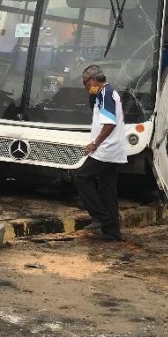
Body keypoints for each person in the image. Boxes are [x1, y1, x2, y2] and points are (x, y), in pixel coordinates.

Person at [75, 65, 127, 242]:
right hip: (114, 149)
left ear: (93, 80)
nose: (86, 87)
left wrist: (94, 144)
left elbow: (109, 123)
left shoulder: (105, 94)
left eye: (85, 83)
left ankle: (100, 217)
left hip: (106, 149)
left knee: (81, 177)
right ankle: (112, 232)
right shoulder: (106, 93)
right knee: (107, 189)